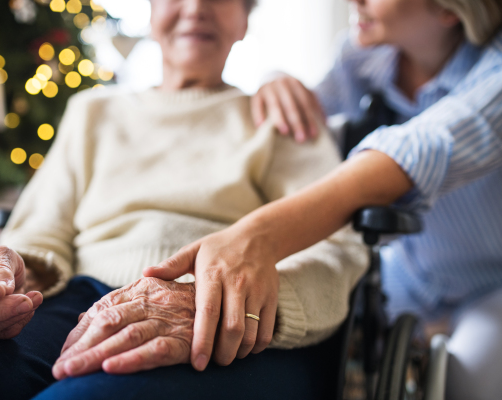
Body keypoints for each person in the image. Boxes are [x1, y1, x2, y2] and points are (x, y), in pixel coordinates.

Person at [0, 0, 368, 399]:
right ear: (150, 11)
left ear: (244, 19)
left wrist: (236, 304)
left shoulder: (279, 117)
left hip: (222, 321)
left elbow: (337, 251)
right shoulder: (95, 111)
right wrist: (0, 280)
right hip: (76, 300)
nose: (196, 7)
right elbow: (39, 233)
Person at [147, 0, 502, 399]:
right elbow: (299, 128)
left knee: (467, 379)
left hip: (488, 283)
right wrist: (276, 80)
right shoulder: (362, 56)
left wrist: (258, 236)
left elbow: (421, 148)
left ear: (448, 10)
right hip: (407, 278)